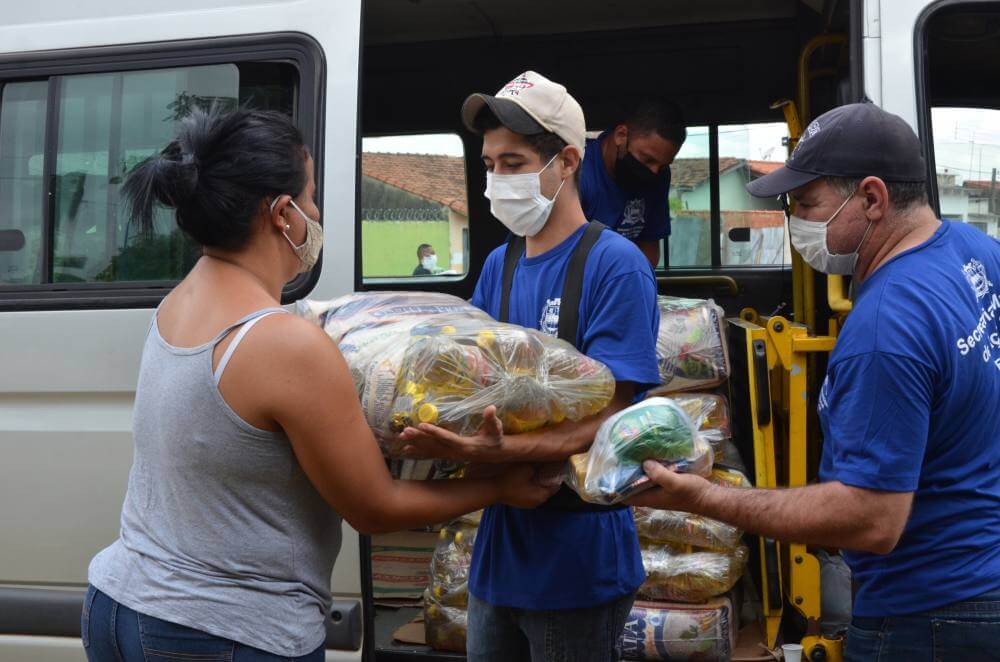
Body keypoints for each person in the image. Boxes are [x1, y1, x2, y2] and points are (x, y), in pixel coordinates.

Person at [82, 108, 556, 662]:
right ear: (282, 214)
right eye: (310, 197)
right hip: (222, 632)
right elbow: (375, 508)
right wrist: (501, 486)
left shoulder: (178, 302)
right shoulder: (285, 344)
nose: (315, 211)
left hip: (117, 604)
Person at [629, 102, 1000, 661]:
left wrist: (706, 498)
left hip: (929, 615)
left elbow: (871, 519)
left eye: (805, 203)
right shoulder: (978, 253)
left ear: (873, 199)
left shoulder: (885, 325)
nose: (793, 220)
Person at [399, 71, 661, 662]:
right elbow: (474, 380)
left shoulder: (614, 265)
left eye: (513, 163)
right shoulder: (501, 263)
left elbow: (616, 414)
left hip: (576, 564)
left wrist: (498, 455)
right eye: (490, 164)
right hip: (500, 558)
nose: (497, 180)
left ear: (566, 162)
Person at [580, 98, 686, 266]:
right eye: (647, 159)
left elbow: (648, 246)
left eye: (663, 165)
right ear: (621, 135)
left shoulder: (659, 176)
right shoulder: (577, 171)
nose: (654, 171)